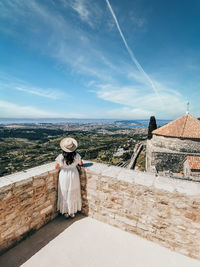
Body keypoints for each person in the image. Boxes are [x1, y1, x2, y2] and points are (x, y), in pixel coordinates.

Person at [55, 137, 82, 218]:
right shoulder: (76, 155)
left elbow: (56, 167)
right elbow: (80, 164)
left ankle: (65, 212)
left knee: (64, 192)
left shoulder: (61, 156)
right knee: (73, 192)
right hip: (74, 174)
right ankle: (72, 212)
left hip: (64, 175)